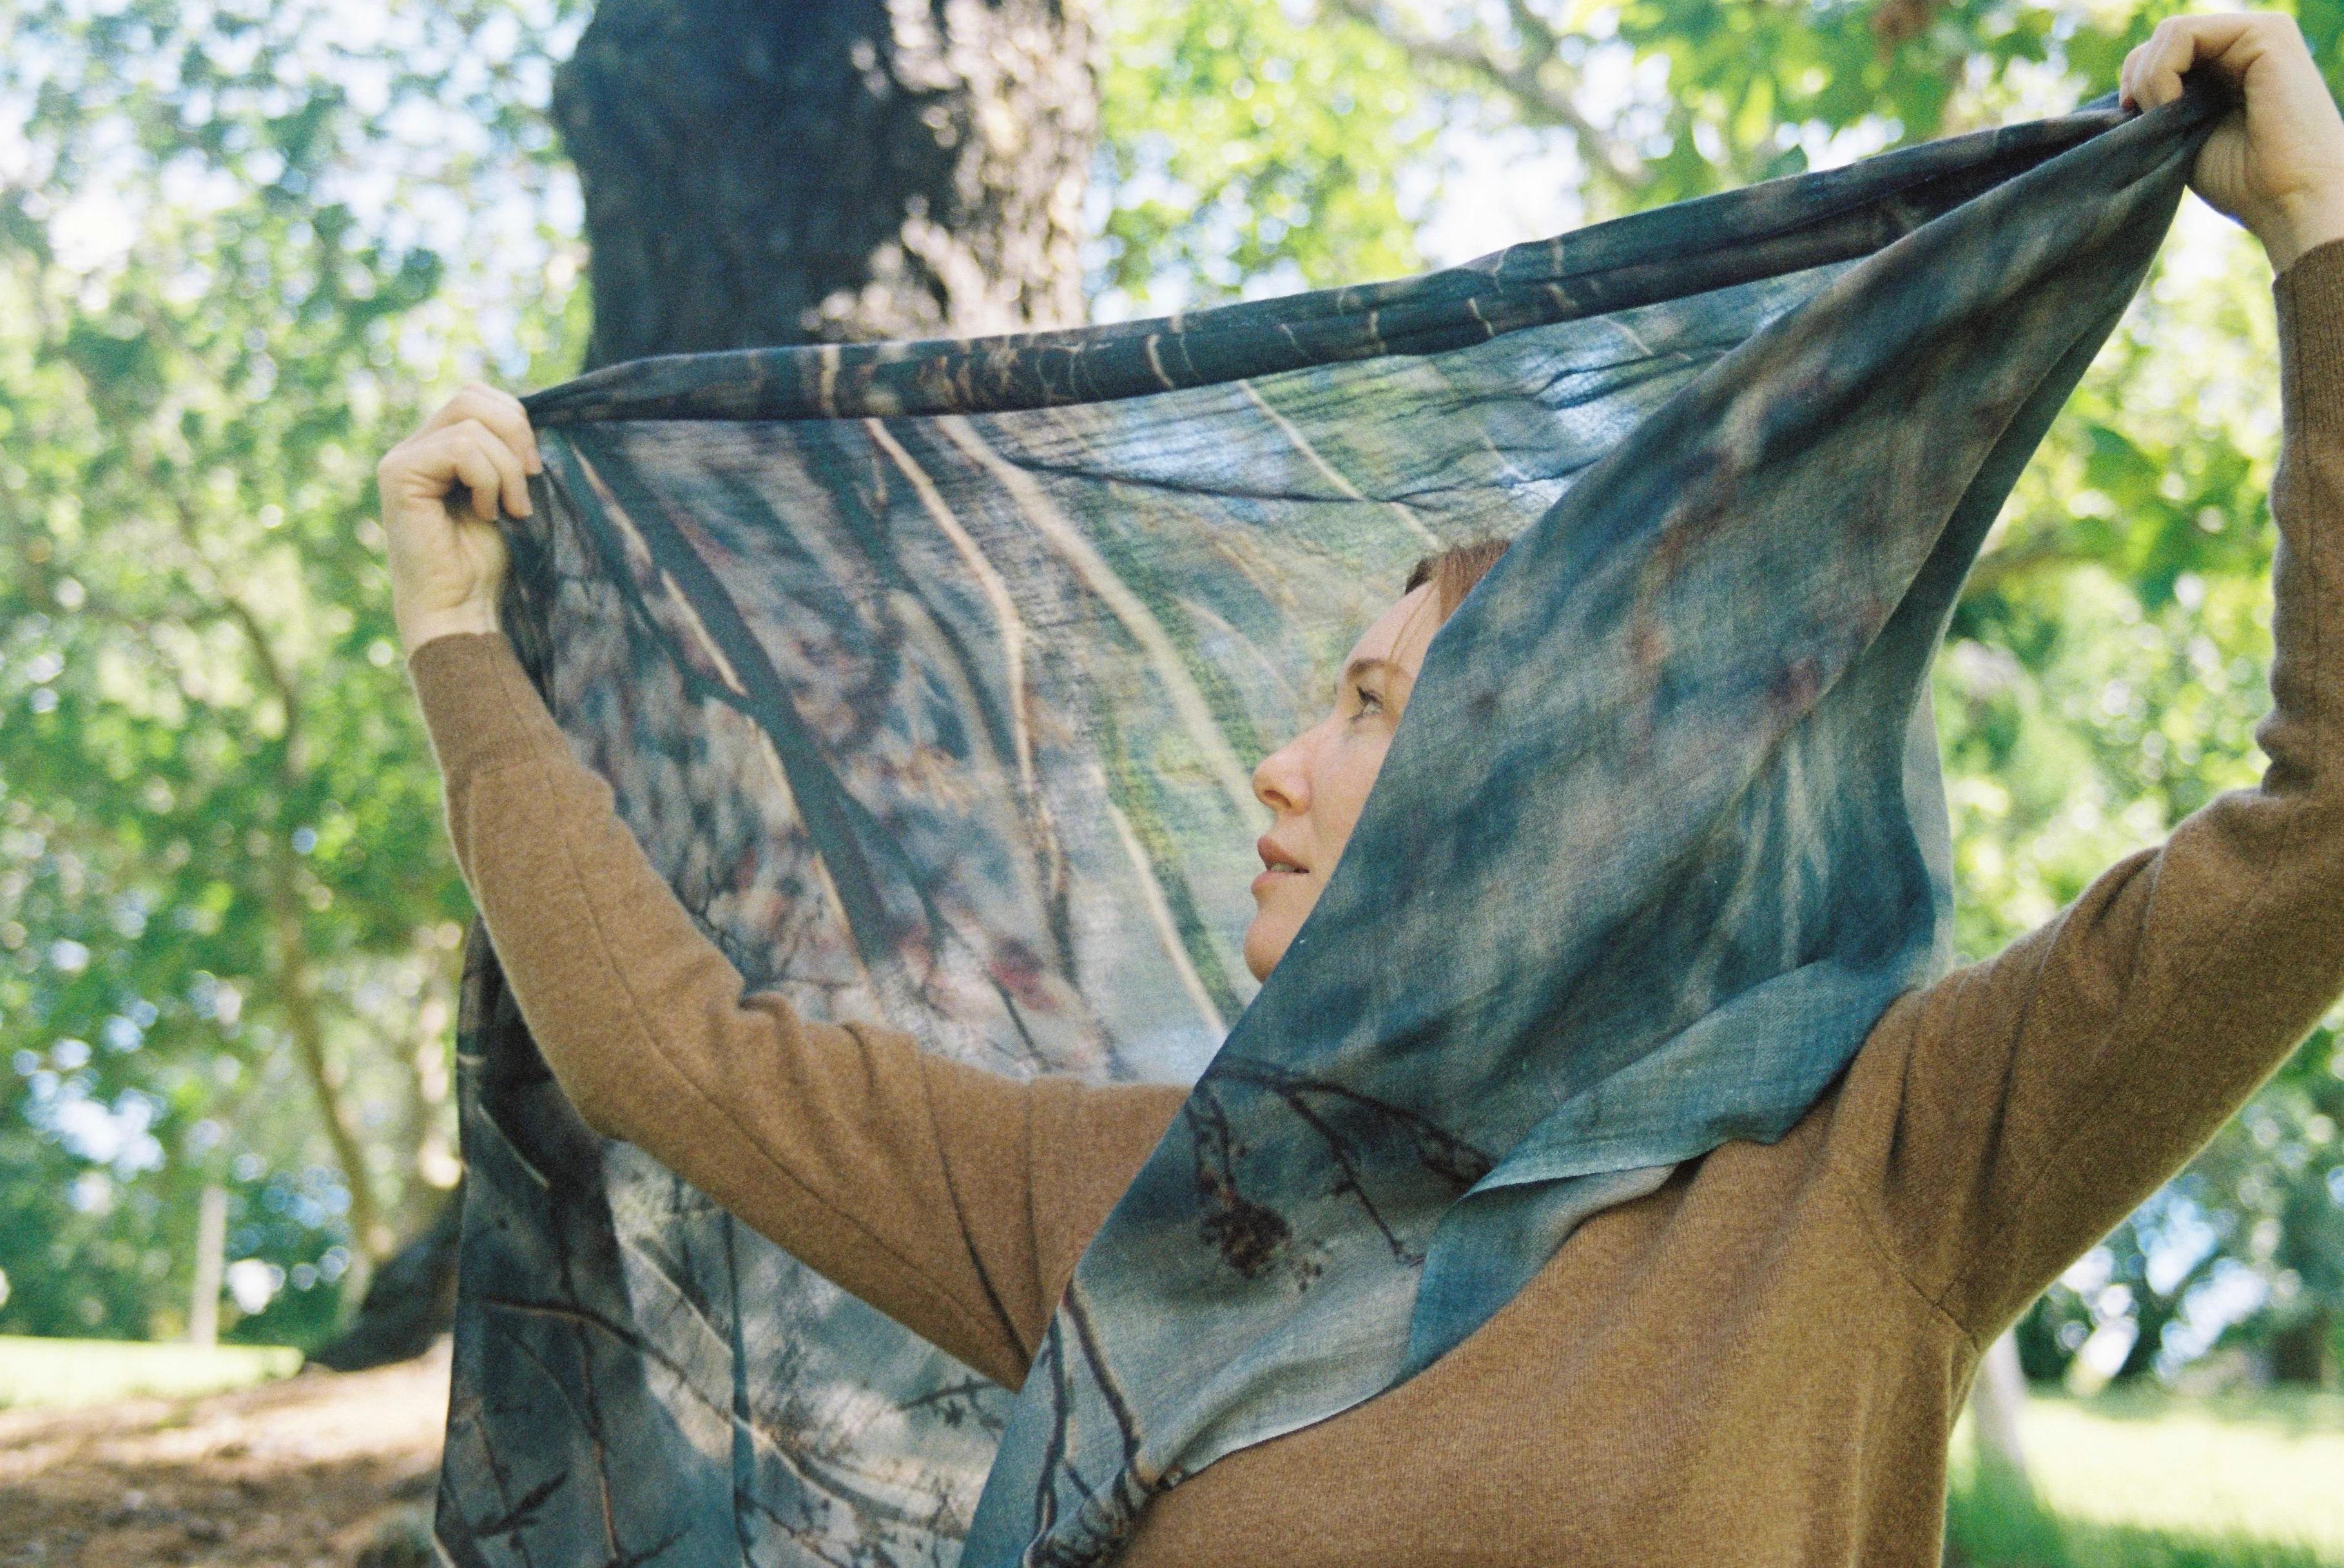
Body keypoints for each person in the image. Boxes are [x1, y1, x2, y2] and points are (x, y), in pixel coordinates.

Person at [380, 15, 2344, 1564]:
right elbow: (671, 1052)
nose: (1277, 761)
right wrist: (461, 645)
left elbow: (2321, 838)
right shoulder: (1129, 1202)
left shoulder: (1884, 1173)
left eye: (1366, 704)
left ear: (1529, 786)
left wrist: (2320, 241)